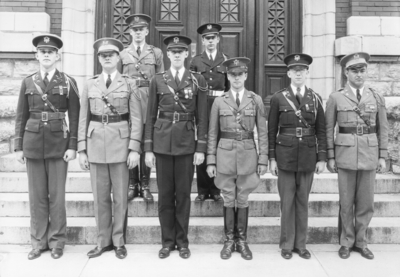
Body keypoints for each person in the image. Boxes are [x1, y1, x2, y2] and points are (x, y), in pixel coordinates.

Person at [14, 34, 80, 260]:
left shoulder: (68, 82)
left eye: (50, 52)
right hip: (32, 143)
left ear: (57, 56)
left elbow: (75, 115)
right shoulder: (28, 81)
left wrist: (73, 146)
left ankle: (57, 241)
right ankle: (38, 241)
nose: (46, 55)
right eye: (42, 52)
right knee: (37, 196)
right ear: (36, 55)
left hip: (58, 144)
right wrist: (18, 146)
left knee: (57, 196)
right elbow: (20, 115)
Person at [78, 38, 142, 259]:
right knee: (100, 197)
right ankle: (103, 241)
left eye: (111, 55)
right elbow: (82, 118)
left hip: (120, 144)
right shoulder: (89, 84)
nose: (107, 58)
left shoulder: (129, 83)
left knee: (120, 197)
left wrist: (134, 148)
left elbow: (136, 117)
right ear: (98, 59)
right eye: (103, 55)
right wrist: (81, 149)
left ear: (118, 58)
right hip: (95, 144)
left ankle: (119, 241)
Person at [144, 35, 208, 259]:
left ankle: (182, 242)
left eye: (182, 51)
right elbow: (150, 115)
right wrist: (149, 149)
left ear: (187, 54)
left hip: (186, 145)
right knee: (165, 196)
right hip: (162, 145)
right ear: (168, 55)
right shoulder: (158, 79)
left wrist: (201, 148)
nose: (178, 54)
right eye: (174, 51)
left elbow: (202, 118)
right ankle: (167, 242)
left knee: (183, 196)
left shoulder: (197, 80)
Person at [325, 52, 388, 260]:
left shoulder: (376, 97)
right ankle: (346, 242)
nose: (359, 75)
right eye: (354, 70)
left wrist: (382, 156)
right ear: (346, 72)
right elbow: (328, 129)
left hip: (369, 154)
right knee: (346, 201)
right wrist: (331, 157)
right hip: (345, 154)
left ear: (366, 72)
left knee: (366, 203)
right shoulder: (336, 97)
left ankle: (361, 242)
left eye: (362, 70)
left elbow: (383, 129)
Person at [207, 57, 268, 260]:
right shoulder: (219, 101)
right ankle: (228, 241)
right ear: (227, 76)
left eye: (240, 74)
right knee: (228, 197)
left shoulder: (255, 99)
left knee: (242, 198)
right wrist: (211, 160)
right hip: (224, 154)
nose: (236, 78)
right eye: (232, 75)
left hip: (248, 154)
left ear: (246, 75)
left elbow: (263, 131)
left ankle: (241, 241)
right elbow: (212, 133)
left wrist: (263, 159)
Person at [268, 53, 326, 260]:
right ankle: (286, 244)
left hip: (309, 155)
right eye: (295, 70)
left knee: (302, 201)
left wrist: (322, 158)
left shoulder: (316, 98)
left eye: (302, 70)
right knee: (287, 202)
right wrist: (272, 158)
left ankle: (300, 244)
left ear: (307, 73)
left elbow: (322, 131)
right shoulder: (278, 98)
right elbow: (271, 130)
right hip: (285, 155)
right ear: (288, 73)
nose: (299, 73)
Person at [119, 13, 164, 202]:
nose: (137, 33)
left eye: (141, 30)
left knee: (147, 140)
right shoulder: (122, 54)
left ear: (146, 31)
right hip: (129, 101)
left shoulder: (156, 53)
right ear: (130, 32)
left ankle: (145, 184)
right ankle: (132, 184)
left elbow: (161, 80)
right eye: (134, 30)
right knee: (130, 139)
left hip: (148, 101)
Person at [190, 23, 229, 202]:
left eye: (213, 38)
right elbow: (191, 87)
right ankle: (202, 189)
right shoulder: (196, 61)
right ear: (203, 41)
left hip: (220, 105)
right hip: (202, 105)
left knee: (218, 145)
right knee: (202, 144)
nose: (210, 41)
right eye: (207, 38)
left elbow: (228, 88)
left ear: (218, 39)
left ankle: (216, 190)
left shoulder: (225, 60)